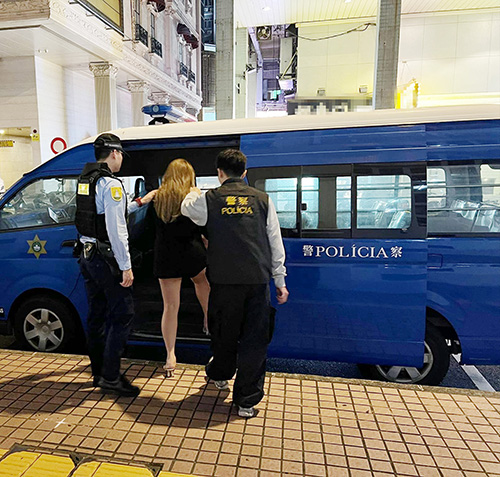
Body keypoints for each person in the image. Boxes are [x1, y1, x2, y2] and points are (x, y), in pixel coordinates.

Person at [181, 149, 289, 418]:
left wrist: (195, 191)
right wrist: (280, 279)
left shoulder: (208, 200)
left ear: (219, 173)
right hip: (257, 281)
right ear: (245, 172)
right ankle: (246, 401)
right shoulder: (263, 200)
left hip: (223, 282)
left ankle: (220, 376)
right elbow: (275, 241)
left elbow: (185, 207)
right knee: (255, 340)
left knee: (223, 334)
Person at [75, 133, 156, 397]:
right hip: (105, 259)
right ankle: (111, 377)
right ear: (114, 153)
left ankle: (99, 372)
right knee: (123, 314)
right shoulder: (111, 184)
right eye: (121, 154)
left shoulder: (86, 180)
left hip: (87, 255)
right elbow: (116, 228)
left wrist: (141, 201)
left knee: (97, 315)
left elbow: (101, 215)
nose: (121, 159)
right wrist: (126, 266)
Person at [154, 159, 210, 378]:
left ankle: (170, 354)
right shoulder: (192, 196)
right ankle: (208, 320)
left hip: (166, 255)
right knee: (202, 283)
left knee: (170, 306)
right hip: (191, 250)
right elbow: (202, 225)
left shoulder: (158, 197)